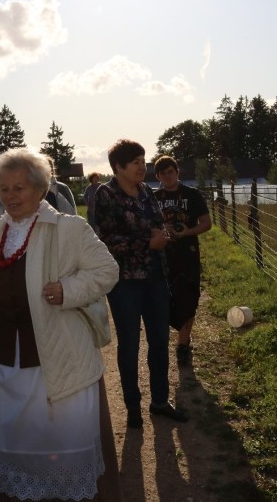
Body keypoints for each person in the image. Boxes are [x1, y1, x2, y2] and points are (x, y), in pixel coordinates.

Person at [0, 148, 121, 501]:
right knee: (2, 440)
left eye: (19, 187)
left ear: (40, 189)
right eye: (4, 189)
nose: (10, 196)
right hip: (5, 367)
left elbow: (107, 271)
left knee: (58, 447)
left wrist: (68, 289)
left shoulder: (69, 228)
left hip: (60, 365)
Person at [93, 139, 188, 428]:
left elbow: (156, 224)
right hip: (125, 282)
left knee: (159, 340)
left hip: (156, 277)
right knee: (130, 343)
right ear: (118, 167)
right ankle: (132, 405)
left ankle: (159, 401)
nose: (142, 166)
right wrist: (149, 243)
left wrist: (164, 235)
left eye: (143, 160)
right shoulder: (105, 194)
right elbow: (107, 240)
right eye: (136, 161)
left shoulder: (146, 191)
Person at [154, 156, 212, 365]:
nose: (168, 176)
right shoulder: (154, 197)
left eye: (171, 171)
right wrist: (162, 231)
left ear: (178, 172)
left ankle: (183, 344)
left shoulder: (192, 195)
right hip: (162, 255)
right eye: (163, 173)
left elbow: (207, 223)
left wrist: (188, 232)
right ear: (158, 176)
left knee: (188, 296)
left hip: (188, 252)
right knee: (165, 298)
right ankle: (165, 340)